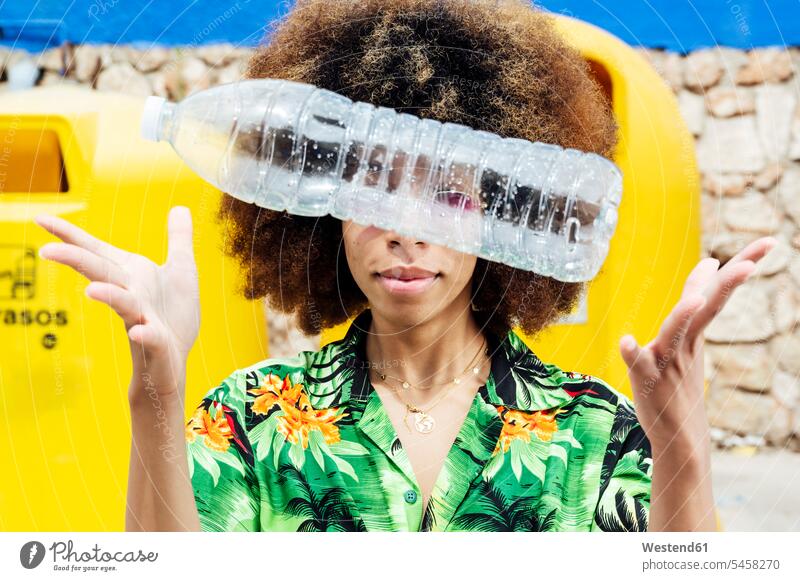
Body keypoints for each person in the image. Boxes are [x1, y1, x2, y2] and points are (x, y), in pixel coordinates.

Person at [34, 0, 776, 532]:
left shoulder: (593, 429)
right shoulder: (250, 420)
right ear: (320, 202)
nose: (405, 230)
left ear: (500, 212)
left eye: (447, 193)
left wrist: (682, 436)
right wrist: (156, 396)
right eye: (374, 185)